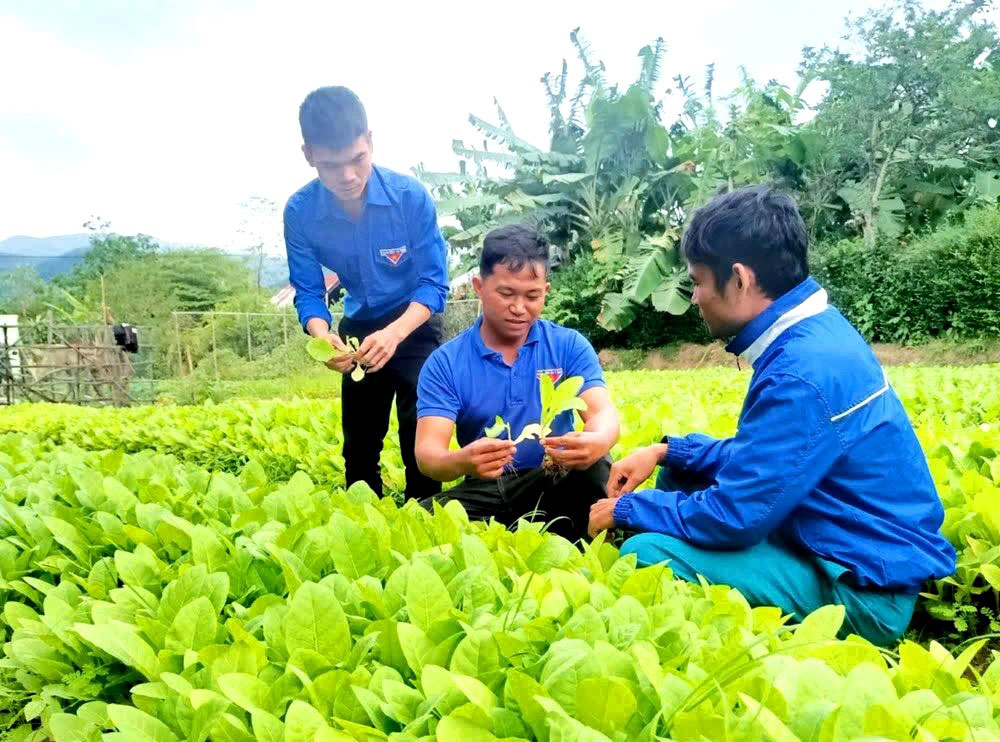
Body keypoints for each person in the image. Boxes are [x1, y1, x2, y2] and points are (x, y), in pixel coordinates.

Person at [588, 185, 956, 646]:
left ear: (739, 279)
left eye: (698, 282)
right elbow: (770, 460)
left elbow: (735, 514)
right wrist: (666, 451)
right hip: (848, 537)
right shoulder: (816, 333)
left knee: (644, 553)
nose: (695, 298)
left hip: (864, 589)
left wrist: (625, 509)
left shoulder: (800, 372)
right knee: (682, 472)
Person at [284, 86, 449, 501]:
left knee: (419, 435)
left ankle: (426, 516)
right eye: (331, 165)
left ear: (370, 142)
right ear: (309, 155)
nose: (348, 176)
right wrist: (322, 337)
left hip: (414, 324)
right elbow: (308, 291)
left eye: (357, 159)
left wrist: (394, 334)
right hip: (357, 328)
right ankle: (363, 518)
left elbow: (433, 284)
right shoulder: (300, 212)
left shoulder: (409, 198)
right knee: (359, 445)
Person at [414, 225, 620, 541]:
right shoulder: (445, 363)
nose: (519, 308)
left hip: (551, 480)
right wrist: (462, 461)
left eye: (532, 296)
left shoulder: (568, 346)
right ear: (479, 287)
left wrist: (597, 439)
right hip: (484, 488)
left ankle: (580, 539)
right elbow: (428, 454)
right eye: (506, 294)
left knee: (597, 467)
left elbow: (602, 413)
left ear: (546, 291)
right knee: (418, 520)